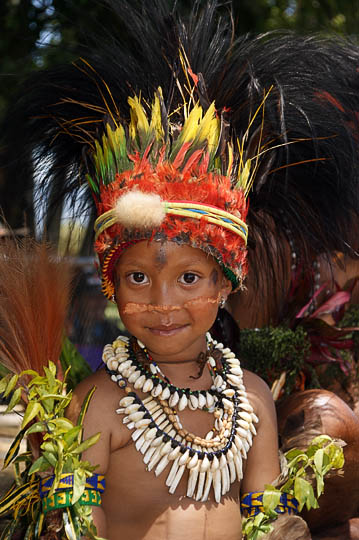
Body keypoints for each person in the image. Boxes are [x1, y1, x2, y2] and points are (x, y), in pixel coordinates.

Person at [2, 2, 359, 538]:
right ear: (112, 285)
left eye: (189, 278)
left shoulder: (253, 399)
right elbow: (73, 525)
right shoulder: (97, 405)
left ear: (225, 283)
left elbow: (266, 516)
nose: (162, 302)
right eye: (138, 278)